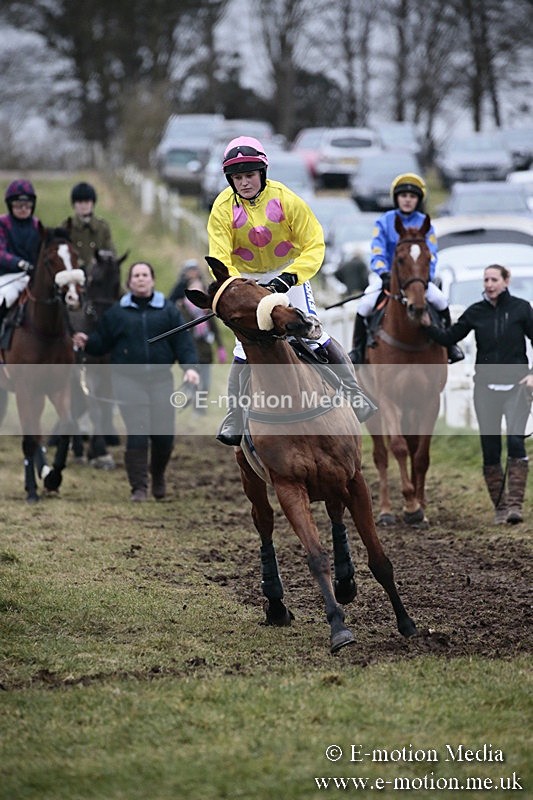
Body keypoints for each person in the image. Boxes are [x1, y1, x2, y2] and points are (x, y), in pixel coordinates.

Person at [207, 135, 377, 446]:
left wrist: (289, 277)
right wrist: (239, 288)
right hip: (245, 281)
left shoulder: (286, 199)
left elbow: (314, 243)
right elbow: (218, 256)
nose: (244, 183)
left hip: (288, 276)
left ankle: (354, 393)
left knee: (312, 335)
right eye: (238, 177)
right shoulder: (221, 208)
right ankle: (235, 414)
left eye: (249, 175)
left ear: (262, 173)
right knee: (243, 347)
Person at [73, 261, 200, 501]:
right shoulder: (117, 313)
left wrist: (190, 369)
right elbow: (101, 342)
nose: (140, 279)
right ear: (129, 282)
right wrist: (86, 341)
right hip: (127, 380)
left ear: (152, 280)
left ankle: (158, 475)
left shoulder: (168, 311)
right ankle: (139, 488)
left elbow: (184, 345)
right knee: (138, 431)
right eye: (136, 275)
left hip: (161, 379)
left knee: (163, 436)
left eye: (145, 275)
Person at [421, 264, 533, 525]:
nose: (489, 284)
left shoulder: (521, 309)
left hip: (517, 387)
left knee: (516, 443)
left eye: (494, 279)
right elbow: (450, 337)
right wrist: (427, 326)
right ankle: (500, 508)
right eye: (486, 280)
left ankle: (515, 506)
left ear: (506, 281)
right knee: (490, 449)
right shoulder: (475, 312)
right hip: (485, 389)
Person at [349, 173, 464, 366]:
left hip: (417, 279)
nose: (408, 200)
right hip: (387, 277)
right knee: (365, 304)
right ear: (396, 199)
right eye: (404, 196)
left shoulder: (425, 223)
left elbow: (431, 255)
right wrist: (384, 274)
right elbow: (377, 251)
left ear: (418, 200)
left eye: (412, 197)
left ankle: (451, 346)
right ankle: (357, 351)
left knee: (441, 301)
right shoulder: (384, 221)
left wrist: (425, 278)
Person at [168, 259, 227, 413]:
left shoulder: (207, 310)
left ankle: (199, 407)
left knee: (205, 382)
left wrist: (220, 347)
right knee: (193, 379)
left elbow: (215, 329)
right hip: (190, 350)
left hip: (205, 350)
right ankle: (196, 408)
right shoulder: (181, 305)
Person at [0, 179, 40, 326]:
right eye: (18, 205)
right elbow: (0, 252)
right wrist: (20, 263)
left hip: (32, 277)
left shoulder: (37, 225)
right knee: (4, 298)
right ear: (10, 205)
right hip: (8, 277)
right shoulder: (2, 223)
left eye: (27, 205)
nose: (23, 209)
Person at [62, 182, 116, 276]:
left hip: (98, 276)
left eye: (87, 202)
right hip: (74, 275)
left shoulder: (102, 227)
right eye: (79, 202)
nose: (83, 206)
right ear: (74, 204)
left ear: (92, 203)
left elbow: (110, 251)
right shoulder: (66, 226)